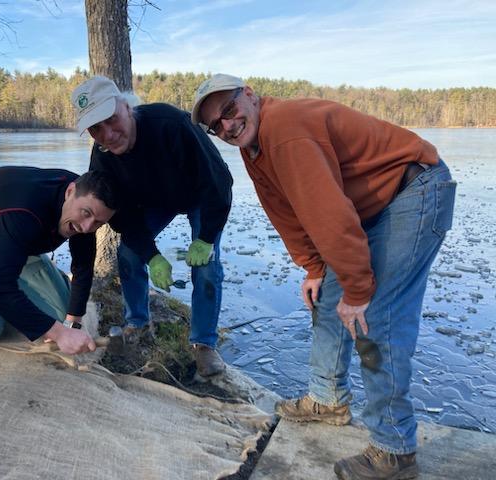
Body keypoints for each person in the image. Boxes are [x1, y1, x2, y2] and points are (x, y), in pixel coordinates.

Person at [192, 74, 456, 479]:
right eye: (216, 125)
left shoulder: (285, 130)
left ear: (249, 94)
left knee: (374, 317)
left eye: (228, 110)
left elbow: (328, 215)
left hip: (414, 190)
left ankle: (395, 452)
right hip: (375, 204)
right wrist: (316, 269)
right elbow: (286, 213)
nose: (226, 126)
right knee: (329, 298)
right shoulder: (255, 145)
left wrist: (358, 288)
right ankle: (328, 398)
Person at [71, 76, 233, 377]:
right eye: (95, 128)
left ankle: (204, 344)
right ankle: (137, 324)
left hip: (199, 195)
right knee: (130, 253)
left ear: (125, 105)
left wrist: (207, 237)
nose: (107, 134)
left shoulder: (170, 123)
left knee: (207, 265)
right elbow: (120, 214)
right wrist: (152, 255)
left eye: (110, 119)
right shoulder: (103, 158)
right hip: (156, 201)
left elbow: (219, 183)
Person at [0, 166, 118, 355]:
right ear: (70, 192)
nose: (87, 227)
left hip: (17, 243)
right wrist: (60, 335)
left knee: (61, 315)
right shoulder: (22, 211)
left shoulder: (88, 199)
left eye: (98, 223)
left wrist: (73, 324)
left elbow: (82, 266)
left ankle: (9, 278)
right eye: (86, 214)